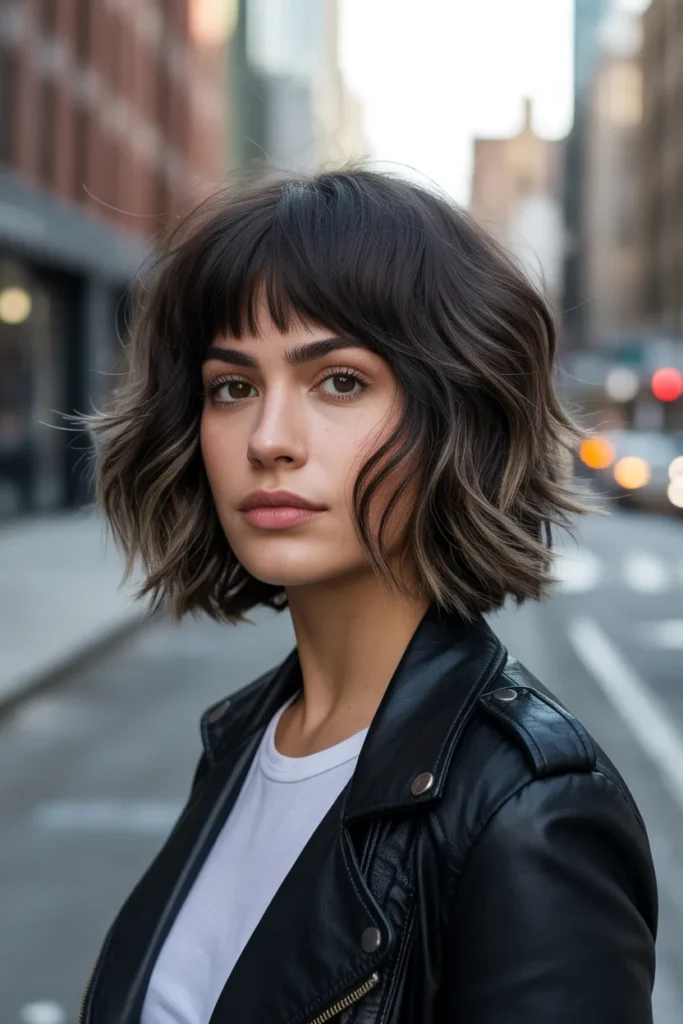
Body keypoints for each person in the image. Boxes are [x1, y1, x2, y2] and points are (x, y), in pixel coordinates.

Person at [77, 169, 657, 1024]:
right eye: (232, 387)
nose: (269, 439)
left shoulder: (528, 813)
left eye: (339, 381)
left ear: (454, 416)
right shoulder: (245, 737)